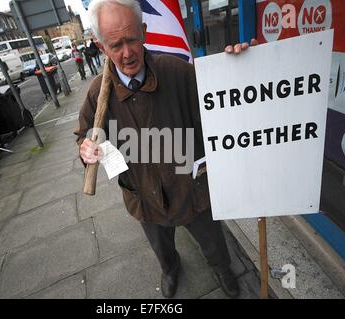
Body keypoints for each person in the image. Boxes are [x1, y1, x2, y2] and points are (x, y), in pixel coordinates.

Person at [75, 0, 254, 298]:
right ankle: (170, 269)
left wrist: (240, 71)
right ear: (101, 45)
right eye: (116, 44)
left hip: (191, 187)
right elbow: (85, 135)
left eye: (132, 39)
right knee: (162, 247)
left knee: (213, 241)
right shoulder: (97, 93)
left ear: (144, 31)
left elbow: (225, 105)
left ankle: (223, 269)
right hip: (143, 193)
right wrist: (87, 149)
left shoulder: (178, 72)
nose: (128, 52)